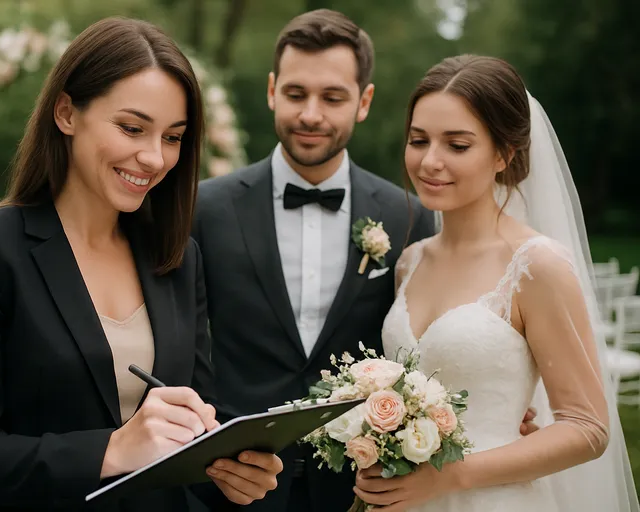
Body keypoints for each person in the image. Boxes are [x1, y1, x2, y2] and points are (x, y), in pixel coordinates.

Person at [0, 17, 283, 512]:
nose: (154, 158)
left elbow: (187, 427)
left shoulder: (177, 258)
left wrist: (224, 472)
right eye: (132, 128)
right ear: (66, 112)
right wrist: (112, 449)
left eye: (173, 137)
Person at [192, 9, 534, 512]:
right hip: (232, 486)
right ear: (271, 91)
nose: (311, 114)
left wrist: (504, 413)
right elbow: (182, 347)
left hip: (366, 488)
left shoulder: (412, 215)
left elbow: (441, 331)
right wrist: (210, 450)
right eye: (295, 93)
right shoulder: (205, 209)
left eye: (332, 97)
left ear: (364, 101)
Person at [355, 54, 640, 512]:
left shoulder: (535, 265)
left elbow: (588, 427)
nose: (430, 161)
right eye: (418, 140)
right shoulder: (410, 262)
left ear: (504, 154)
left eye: (457, 145)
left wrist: (450, 476)